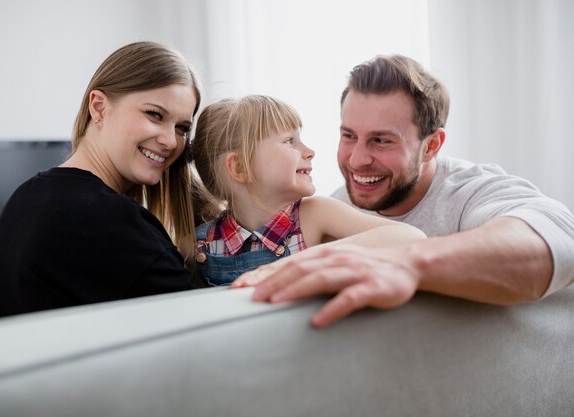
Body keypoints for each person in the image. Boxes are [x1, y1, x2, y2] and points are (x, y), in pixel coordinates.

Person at [233, 55, 574, 328]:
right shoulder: (336, 206)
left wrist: (405, 263)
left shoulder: (470, 191)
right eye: (349, 135)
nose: (357, 159)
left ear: (432, 145)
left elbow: (560, 240)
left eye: (382, 141)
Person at [0, 41, 203, 320]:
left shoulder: (26, 195)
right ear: (99, 107)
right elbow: (206, 332)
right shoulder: (110, 219)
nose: (170, 141)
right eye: (154, 114)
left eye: (182, 128)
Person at [190, 95, 426, 286]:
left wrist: (303, 261)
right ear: (239, 167)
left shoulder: (314, 215)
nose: (309, 151)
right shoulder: (197, 245)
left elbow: (412, 238)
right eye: (289, 141)